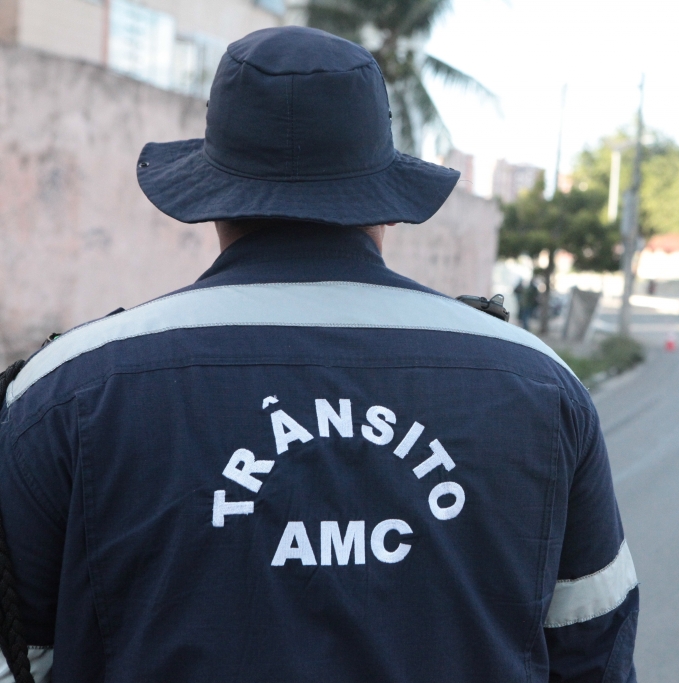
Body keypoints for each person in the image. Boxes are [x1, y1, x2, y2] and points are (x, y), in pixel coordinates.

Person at [0, 27, 638, 683]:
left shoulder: (65, 391)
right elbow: (594, 649)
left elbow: (19, 657)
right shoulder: (538, 384)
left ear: (213, 200)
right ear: (384, 202)